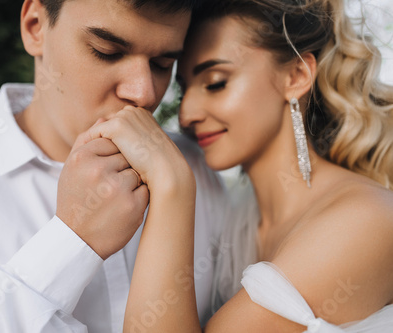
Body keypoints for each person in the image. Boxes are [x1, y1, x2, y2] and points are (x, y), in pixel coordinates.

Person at [0, 0, 228, 331]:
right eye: (106, 51)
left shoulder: (197, 168)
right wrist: (72, 241)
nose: (143, 93)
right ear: (35, 26)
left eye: (161, 63)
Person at [92, 0, 393, 331]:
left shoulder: (365, 219)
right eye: (183, 92)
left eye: (216, 82)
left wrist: (170, 185)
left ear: (296, 75)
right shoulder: (233, 218)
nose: (186, 114)